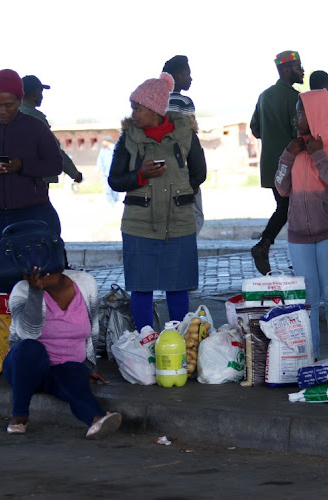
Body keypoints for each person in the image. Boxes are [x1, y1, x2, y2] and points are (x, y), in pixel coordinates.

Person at [108, 73, 206, 331]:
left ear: (154, 109)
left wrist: (180, 194)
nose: (134, 114)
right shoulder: (128, 138)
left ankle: (177, 340)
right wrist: (142, 175)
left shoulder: (186, 135)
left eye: (138, 108)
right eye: (133, 108)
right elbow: (115, 180)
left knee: (177, 286)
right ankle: (145, 341)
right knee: (142, 286)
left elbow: (199, 173)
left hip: (179, 224)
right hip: (139, 225)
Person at [0, 69, 64, 293]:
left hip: (33, 213)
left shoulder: (36, 128)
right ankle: (2, 324)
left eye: (8, 105)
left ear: (19, 100)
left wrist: (22, 166)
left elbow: (56, 164)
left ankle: (40, 324)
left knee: (39, 277)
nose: (2, 111)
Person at [275, 90, 328, 359]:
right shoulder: (295, 148)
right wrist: (287, 155)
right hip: (299, 235)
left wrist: (320, 156)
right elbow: (281, 188)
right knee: (308, 297)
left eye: (300, 112)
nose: (295, 117)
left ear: (315, 115)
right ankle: (309, 356)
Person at [3, 266, 120, 439]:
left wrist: (90, 365)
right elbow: (28, 332)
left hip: (64, 367)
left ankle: (96, 420)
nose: (36, 277)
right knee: (30, 347)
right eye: (31, 274)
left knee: (74, 373)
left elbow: (93, 328)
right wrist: (35, 292)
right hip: (25, 368)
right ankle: (19, 416)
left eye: (40, 272)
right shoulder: (22, 290)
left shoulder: (85, 283)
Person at [250, 50, 304, 275]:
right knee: (291, 209)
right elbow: (299, 132)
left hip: (271, 166)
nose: (302, 70)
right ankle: (265, 244)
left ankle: (270, 246)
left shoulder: (264, 96)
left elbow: (255, 128)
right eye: (298, 66)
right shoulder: (294, 98)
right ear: (285, 70)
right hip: (291, 166)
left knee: (286, 208)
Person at [163, 55, 204, 236]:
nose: (191, 78)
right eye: (188, 74)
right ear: (178, 76)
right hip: (183, 172)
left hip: (160, 171)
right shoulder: (183, 102)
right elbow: (191, 141)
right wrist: (196, 179)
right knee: (194, 218)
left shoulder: (152, 102)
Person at [19, 75, 83, 186]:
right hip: (36, 179)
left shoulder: (11, 114)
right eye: (40, 92)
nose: (42, 96)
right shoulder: (35, 117)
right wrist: (74, 173)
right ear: (34, 93)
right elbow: (52, 149)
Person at [97, 136, 119, 206]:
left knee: (115, 188)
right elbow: (99, 159)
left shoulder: (115, 148)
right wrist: (98, 168)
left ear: (108, 141)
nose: (103, 142)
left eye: (104, 140)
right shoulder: (102, 150)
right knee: (107, 189)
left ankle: (116, 201)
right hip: (106, 173)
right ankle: (111, 204)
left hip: (115, 172)